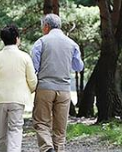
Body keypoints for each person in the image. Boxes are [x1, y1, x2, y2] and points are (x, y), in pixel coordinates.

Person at [31, 13, 84, 152]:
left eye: (43, 26)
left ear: (47, 26)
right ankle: (59, 149)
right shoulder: (72, 44)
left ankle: (47, 148)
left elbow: (34, 67)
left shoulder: (41, 42)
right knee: (60, 127)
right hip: (64, 90)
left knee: (41, 122)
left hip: (45, 88)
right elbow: (78, 67)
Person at [0, 24, 37, 152]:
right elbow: (32, 81)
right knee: (15, 131)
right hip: (18, 99)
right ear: (17, 39)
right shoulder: (25, 57)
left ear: (3, 40)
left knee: (0, 134)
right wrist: (30, 90)